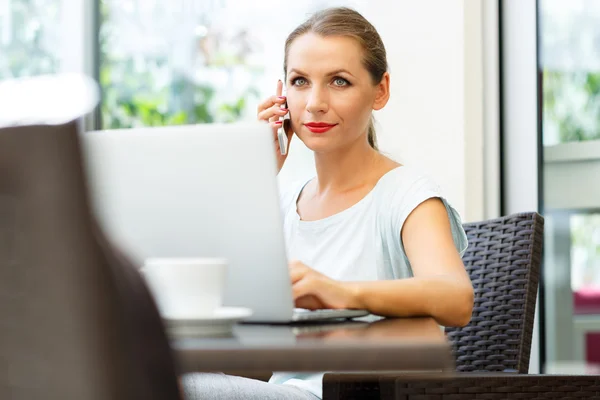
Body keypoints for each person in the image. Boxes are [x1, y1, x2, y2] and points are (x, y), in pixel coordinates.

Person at [181, 6, 474, 400]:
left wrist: (342, 292)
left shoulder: (406, 195)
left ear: (380, 90)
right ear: (282, 94)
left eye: (339, 81)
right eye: (300, 81)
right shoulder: (287, 202)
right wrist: (256, 174)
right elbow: (243, 338)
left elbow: (456, 298)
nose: (315, 102)